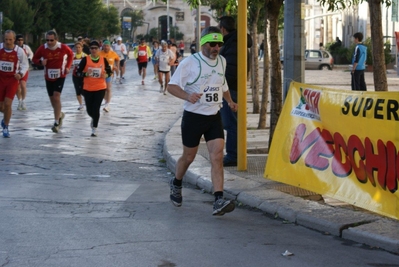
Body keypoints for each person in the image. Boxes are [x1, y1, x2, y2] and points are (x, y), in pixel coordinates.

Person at [167, 26, 238, 216]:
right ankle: (176, 183)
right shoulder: (190, 62)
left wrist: (230, 101)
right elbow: (171, 86)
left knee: (217, 156)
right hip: (193, 117)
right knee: (188, 157)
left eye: (219, 44)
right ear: (203, 44)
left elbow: (222, 85)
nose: (216, 48)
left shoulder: (222, 61)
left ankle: (218, 199)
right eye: (212, 44)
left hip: (214, 116)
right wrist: (187, 95)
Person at [219, 16, 253, 166]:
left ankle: (233, 155)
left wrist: (223, 88)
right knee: (231, 122)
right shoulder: (236, 42)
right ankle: (234, 153)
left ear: (223, 29)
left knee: (231, 123)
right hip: (234, 88)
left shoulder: (233, 44)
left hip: (231, 90)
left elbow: (230, 72)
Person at [32, 30, 74, 133]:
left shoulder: (63, 47)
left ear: (56, 39)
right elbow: (34, 59)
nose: (49, 42)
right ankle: (59, 114)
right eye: (47, 40)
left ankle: (56, 122)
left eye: (51, 40)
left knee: (56, 96)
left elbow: (71, 55)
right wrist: (41, 62)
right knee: (52, 99)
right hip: (48, 76)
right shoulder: (43, 48)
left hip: (60, 75)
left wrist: (68, 67)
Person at [76, 40, 112, 137]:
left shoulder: (103, 60)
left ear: (98, 49)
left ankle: (94, 128)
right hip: (88, 88)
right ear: (90, 49)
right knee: (89, 110)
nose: (94, 50)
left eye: (95, 48)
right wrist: (86, 74)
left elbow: (109, 71)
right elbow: (78, 72)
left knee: (96, 108)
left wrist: (106, 74)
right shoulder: (85, 60)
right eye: (92, 48)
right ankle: (94, 118)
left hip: (100, 87)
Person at [0, 30, 29, 138]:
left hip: (12, 80)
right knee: (1, 106)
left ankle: (6, 127)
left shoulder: (19, 51)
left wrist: (20, 74)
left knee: (8, 104)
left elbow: (25, 65)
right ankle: (6, 117)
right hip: (0, 79)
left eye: (10, 39)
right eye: (6, 39)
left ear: (14, 40)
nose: (8, 42)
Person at [99, 40, 120, 112]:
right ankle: (106, 99)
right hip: (101, 74)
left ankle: (107, 104)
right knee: (102, 90)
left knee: (108, 88)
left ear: (110, 47)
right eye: (104, 46)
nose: (106, 47)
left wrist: (116, 66)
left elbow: (117, 59)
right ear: (103, 46)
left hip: (109, 73)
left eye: (107, 46)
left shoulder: (113, 53)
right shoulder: (99, 53)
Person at [15, 34, 33, 111]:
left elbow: (31, 54)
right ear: (16, 41)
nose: (20, 41)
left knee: (23, 85)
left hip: (24, 69)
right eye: (19, 40)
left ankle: (24, 101)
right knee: (17, 87)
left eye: (21, 40)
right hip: (16, 70)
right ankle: (19, 101)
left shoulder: (26, 47)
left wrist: (29, 59)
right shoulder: (14, 49)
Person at [72, 42, 87, 110]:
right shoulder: (73, 56)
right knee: (77, 90)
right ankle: (81, 105)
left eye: (79, 47)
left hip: (83, 76)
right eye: (76, 47)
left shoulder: (85, 56)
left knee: (83, 90)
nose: (78, 49)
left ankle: (87, 101)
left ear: (82, 48)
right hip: (75, 75)